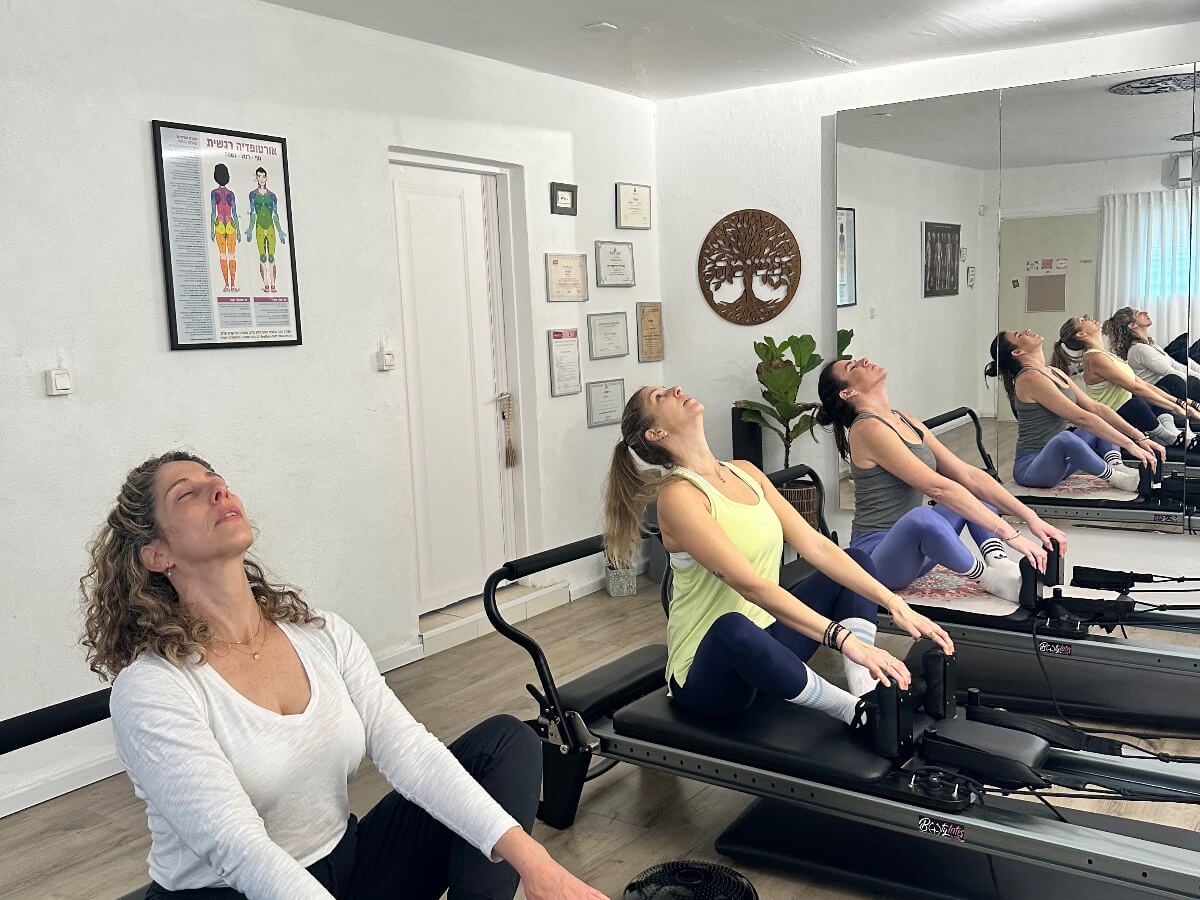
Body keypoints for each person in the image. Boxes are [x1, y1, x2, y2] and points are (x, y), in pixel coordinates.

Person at [81, 451, 604, 900]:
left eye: (216, 480)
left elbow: (410, 753)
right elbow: (238, 848)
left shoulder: (322, 634)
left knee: (507, 744)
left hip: (345, 867)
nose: (218, 490)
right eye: (187, 494)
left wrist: (538, 865)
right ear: (156, 554)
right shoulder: (153, 689)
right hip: (237, 891)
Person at [603, 386, 955, 729]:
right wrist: (845, 641)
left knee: (857, 559)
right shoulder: (679, 495)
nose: (676, 390)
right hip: (709, 675)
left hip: (769, 641)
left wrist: (894, 603)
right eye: (660, 397)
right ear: (656, 433)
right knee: (731, 626)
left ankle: (869, 691)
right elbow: (751, 586)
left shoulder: (745, 472)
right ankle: (856, 713)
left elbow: (817, 546)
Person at [815, 357, 1066, 604]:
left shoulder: (903, 418)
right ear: (847, 392)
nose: (863, 360)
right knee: (922, 517)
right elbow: (938, 488)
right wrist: (1012, 535)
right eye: (852, 367)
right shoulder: (866, 428)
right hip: (879, 559)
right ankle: (991, 580)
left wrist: (1032, 518)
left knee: (972, 491)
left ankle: (1000, 563)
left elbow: (968, 474)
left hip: (917, 555)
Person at [987, 329, 1162, 490]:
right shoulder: (1029, 378)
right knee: (1066, 438)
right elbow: (1081, 418)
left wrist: (1139, 437)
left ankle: (1117, 465)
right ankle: (1116, 478)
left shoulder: (1054, 372)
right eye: (1019, 335)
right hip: (1033, 468)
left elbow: (1096, 408)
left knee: (1101, 421)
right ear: (1017, 352)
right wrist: (1130, 444)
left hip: (1061, 463)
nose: (1027, 330)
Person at [1052, 314, 1200, 449]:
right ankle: (1168, 437)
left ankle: (1175, 435)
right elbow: (1135, 388)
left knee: (1160, 391)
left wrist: (1184, 404)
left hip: (1130, 410)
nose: (1088, 317)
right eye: (1082, 320)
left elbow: (1143, 384)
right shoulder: (1094, 358)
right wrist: (1176, 407)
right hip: (1114, 418)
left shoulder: (1106, 355)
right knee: (1136, 402)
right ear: (1081, 334)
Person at [1103, 306, 1200, 407]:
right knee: (1184, 380)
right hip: (1159, 394)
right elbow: (1169, 371)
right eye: (1138, 314)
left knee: (1190, 379)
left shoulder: (1152, 346)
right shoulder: (1139, 349)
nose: (1145, 313)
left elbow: (1175, 365)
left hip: (1169, 386)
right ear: (1132, 325)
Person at [244, 167, 287, 293]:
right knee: (262, 257)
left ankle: (273, 284)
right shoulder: (253, 195)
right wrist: (250, 229)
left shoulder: (272, 196)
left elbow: (275, 214)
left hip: (271, 228)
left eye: (263, 176)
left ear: (266, 177)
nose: (261, 179)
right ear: (256, 177)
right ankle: (266, 284)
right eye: (259, 176)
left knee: (271, 257)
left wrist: (280, 231)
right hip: (259, 228)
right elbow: (252, 213)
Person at [210, 164, 241, 293]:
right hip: (230, 225)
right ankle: (232, 285)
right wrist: (238, 231)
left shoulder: (214, 193)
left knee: (223, 255)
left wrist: (212, 230)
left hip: (219, 226)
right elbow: (234, 213)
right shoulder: (230, 194)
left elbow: (213, 212)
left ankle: (227, 285)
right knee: (231, 255)